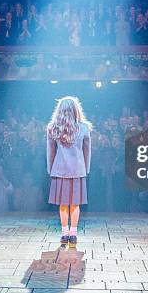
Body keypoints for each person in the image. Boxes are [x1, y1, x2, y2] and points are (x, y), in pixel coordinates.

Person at [46, 96, 92, 249]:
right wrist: (86, 168)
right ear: (75, 110)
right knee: (75, 204)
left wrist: (50, 169)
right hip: (78, 170)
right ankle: (73, 233)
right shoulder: (84, 128)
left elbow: (50, 152)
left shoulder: (53, 127)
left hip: (59, 169)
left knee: (63, 204)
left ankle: (64, 233)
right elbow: (87, 152)